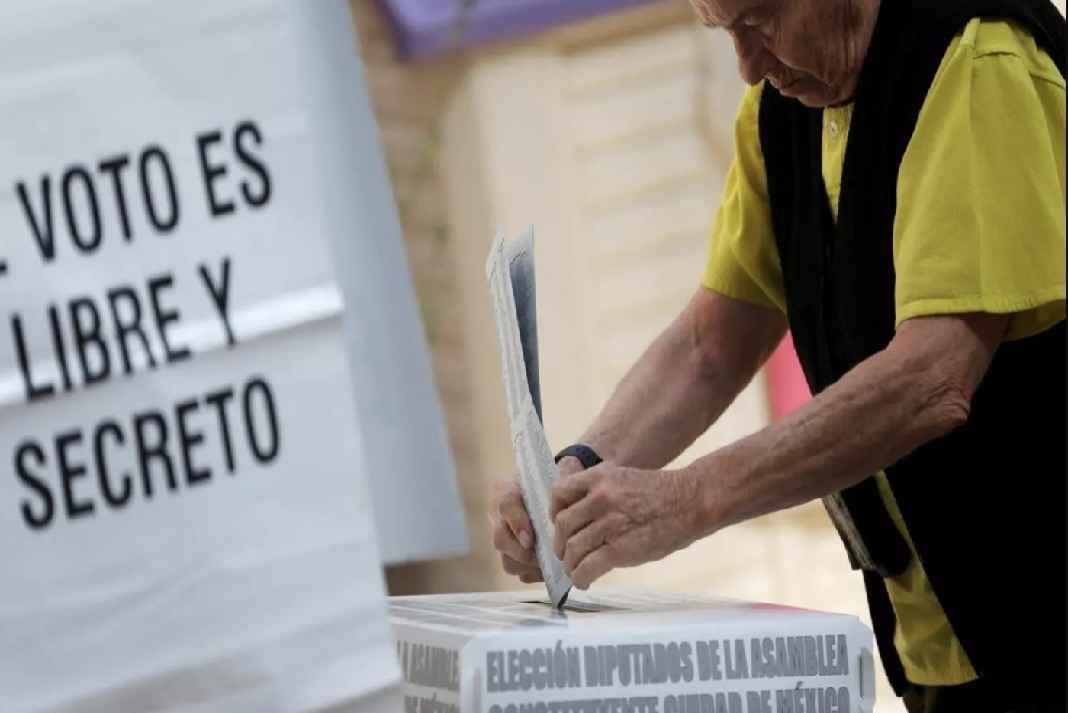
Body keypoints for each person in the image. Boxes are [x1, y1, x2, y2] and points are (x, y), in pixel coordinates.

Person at [489, 1, 1067, 711]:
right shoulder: (782, 109)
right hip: (946, 647)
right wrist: (578, 472)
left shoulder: (979, 58)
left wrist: (691, 498)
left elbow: (933, 376)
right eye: (725, 31)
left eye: (759, 21)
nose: (746, 65)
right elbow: (710, 343)